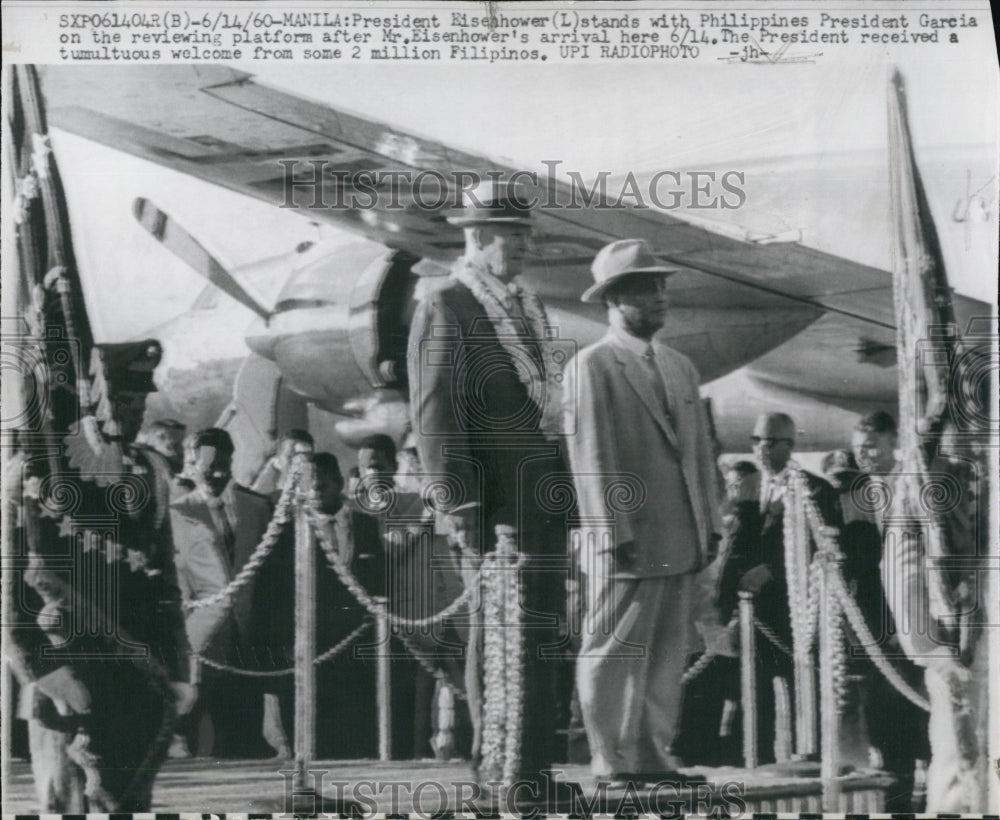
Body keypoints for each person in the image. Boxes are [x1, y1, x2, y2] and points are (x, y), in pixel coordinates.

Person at [407, 181, 571, 797]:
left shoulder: (531, 307)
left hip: (540, 499)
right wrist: (461, 505)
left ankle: (533, 767)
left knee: (541, 632)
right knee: (498, 635)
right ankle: (496, 768)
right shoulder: (446, 303)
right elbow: (434, 414)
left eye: (526, 231)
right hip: (493, 507)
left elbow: (552, 409)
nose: (525, 243)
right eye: (512, 232)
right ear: (476, 237)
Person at [8, 341, 194, 812]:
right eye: (124, 402)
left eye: (140, 402)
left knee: (128, 800)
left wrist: (177, 667)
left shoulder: (148, 471)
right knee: (68, 800)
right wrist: (41, 669)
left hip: (135, 671)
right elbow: (12, 584)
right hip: (66, 669)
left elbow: (163, 579)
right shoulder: (33, 471)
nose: (134, 412)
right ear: (95, 403)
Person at [562, 238, 722, 784]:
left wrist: (712, 523)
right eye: (647, 289)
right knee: (613, 651)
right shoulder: (592, 367)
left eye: (661, 287)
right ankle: (612, 759)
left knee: (666, 654)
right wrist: (610, 531)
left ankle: (653, 755)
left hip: (680, 535)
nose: (661, 298)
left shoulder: (680, 367)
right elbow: (590, 456)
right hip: (628, 539)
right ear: (615, 299)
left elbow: (700, 454)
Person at [715, 412, 840, 763]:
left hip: (792, 614)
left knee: (802, 692)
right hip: (749, 612)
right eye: (756, 441)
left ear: (790, 444)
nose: (761, 449)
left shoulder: (816, 490)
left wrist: (772, 571)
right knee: (753, 696)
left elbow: (824, 546)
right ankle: (753, 763)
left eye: (770, 442)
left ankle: (809, 761)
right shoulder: (747, 487)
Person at [169, 427, 274, 758]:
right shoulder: (177, 513)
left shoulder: (257, 508)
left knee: (246, 726)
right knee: (201, 723)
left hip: (249, 632)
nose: (214, 474)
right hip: (202, 636)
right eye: (205, 466)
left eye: (222, 466)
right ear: (191, 462)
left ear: (232, 462)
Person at [250, 428, 314, 500]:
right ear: (279, 458)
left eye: (303, 456)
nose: (297, 461)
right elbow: (255, 497)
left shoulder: (317, 480)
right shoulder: (275, 466)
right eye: (289, 457)